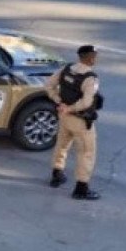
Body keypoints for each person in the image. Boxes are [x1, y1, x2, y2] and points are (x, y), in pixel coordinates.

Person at [46, 45, 102, 201]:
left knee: (62, 144)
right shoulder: (90, 78)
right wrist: (70, 108)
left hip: (63, 116)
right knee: (86, 152)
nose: (96, 59)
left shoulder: (67, 68)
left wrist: (59, 102)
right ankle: (81, 188)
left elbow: (49, 84)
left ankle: (57, 175)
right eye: (95, 56)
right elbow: (86, 102)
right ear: (90, 58)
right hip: (80, 120)